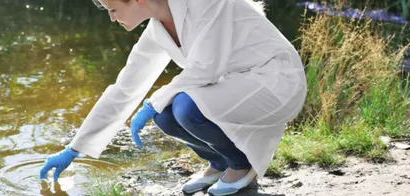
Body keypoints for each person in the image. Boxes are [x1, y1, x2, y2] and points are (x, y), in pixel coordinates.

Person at [39, 0, 307, 195]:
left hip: (275, 82)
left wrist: (152, 101)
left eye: (113, 9)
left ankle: (241, 165)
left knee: (183, 106)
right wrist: (74, 149)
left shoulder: (208, 3)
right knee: (165, 115)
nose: (111, 18)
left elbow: (205, 68)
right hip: (237, 84)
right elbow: (124, 89)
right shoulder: (158, 30)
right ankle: (219, 162)